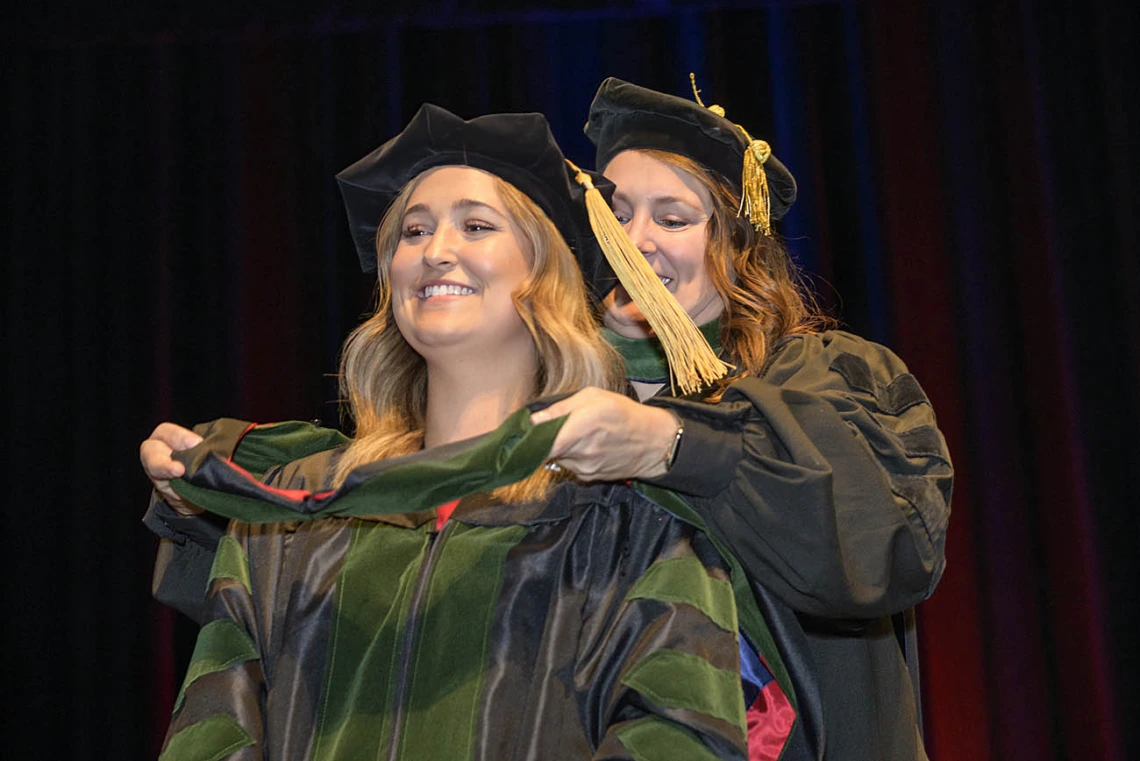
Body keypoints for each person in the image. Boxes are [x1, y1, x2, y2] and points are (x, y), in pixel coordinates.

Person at [151, 104, 777, 761]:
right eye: (413, 232)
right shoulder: (290, 517)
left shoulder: (630, 522)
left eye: (475, 225)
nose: (435, 251)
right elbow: (214, 730)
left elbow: (677, 736)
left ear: (545, 273)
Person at [521, 77, 950, 761]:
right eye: (615, 212)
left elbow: (884, 546)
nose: (635, 243)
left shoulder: (823, 379)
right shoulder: (542, 409)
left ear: (736, 249)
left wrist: (671, 445)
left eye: (673, 218)